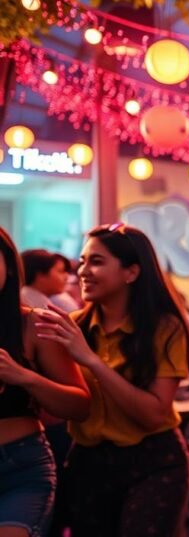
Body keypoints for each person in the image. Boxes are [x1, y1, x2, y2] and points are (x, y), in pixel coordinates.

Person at [35, 223, 189, 537]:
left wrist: (90, 360)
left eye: (96, 261)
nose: (82, 271)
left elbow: (153, 414)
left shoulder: (165, 328)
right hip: (88, 461)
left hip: (154, 461)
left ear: (131, 272)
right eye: (82, 261)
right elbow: (58, 409)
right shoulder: (72, 326)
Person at [0, 227, 90, 537]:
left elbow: (79, 404)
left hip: (19, 467)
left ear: (9, 266)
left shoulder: (34, 323)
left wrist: (23, 376)